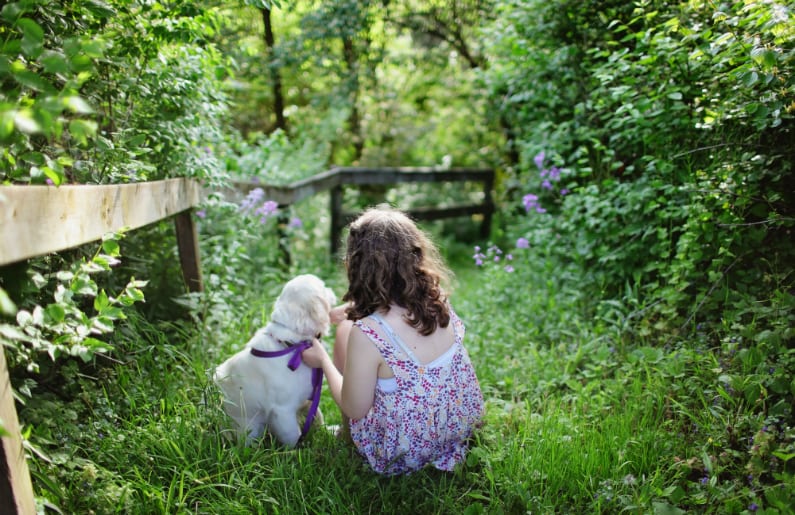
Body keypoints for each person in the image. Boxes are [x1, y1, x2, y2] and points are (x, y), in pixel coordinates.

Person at [301, 206, 484, 475]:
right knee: (351, 328)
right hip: (458, 428)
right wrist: (355, 309)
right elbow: (397, 320)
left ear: (358, 265)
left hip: (404, 450)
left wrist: (324, 361)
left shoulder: (367, 333)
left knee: (345, 332)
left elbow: (355, 408)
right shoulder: (438, 301)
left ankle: (347, 436)